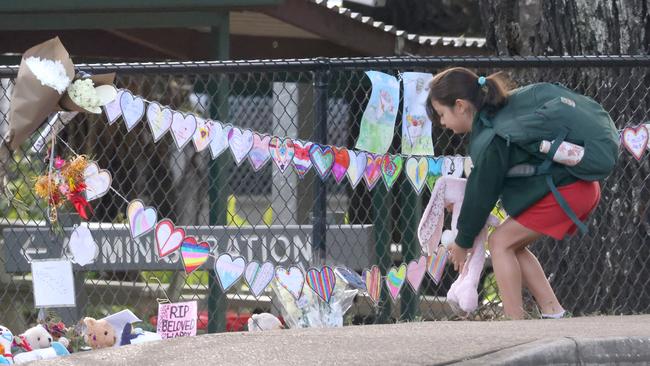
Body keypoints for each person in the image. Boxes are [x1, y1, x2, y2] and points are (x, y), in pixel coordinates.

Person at [425, 67, 601, 320]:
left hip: (569, 189)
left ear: (461, 105)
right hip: (578, 186)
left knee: (499, 242)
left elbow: (482, 192)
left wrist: (463, 242)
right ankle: (553, 312)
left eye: (442, 114)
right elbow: (487, 184)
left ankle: (514, 324)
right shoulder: (496, 121)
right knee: (512, 244)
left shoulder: (490, 137)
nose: (441, 123)